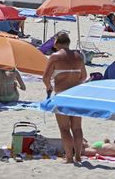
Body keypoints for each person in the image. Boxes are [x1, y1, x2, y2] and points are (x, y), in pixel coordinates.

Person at [42, 32, 87, 163]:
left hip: (62, 95)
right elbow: (84, 77)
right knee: (77, 128)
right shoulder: (78, 56)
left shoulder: (55, 57)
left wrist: (49, 87)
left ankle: (69, 157)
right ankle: (78, 156)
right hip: (76, 94)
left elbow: (45, 78)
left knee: (64, 128)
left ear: (57, 43)